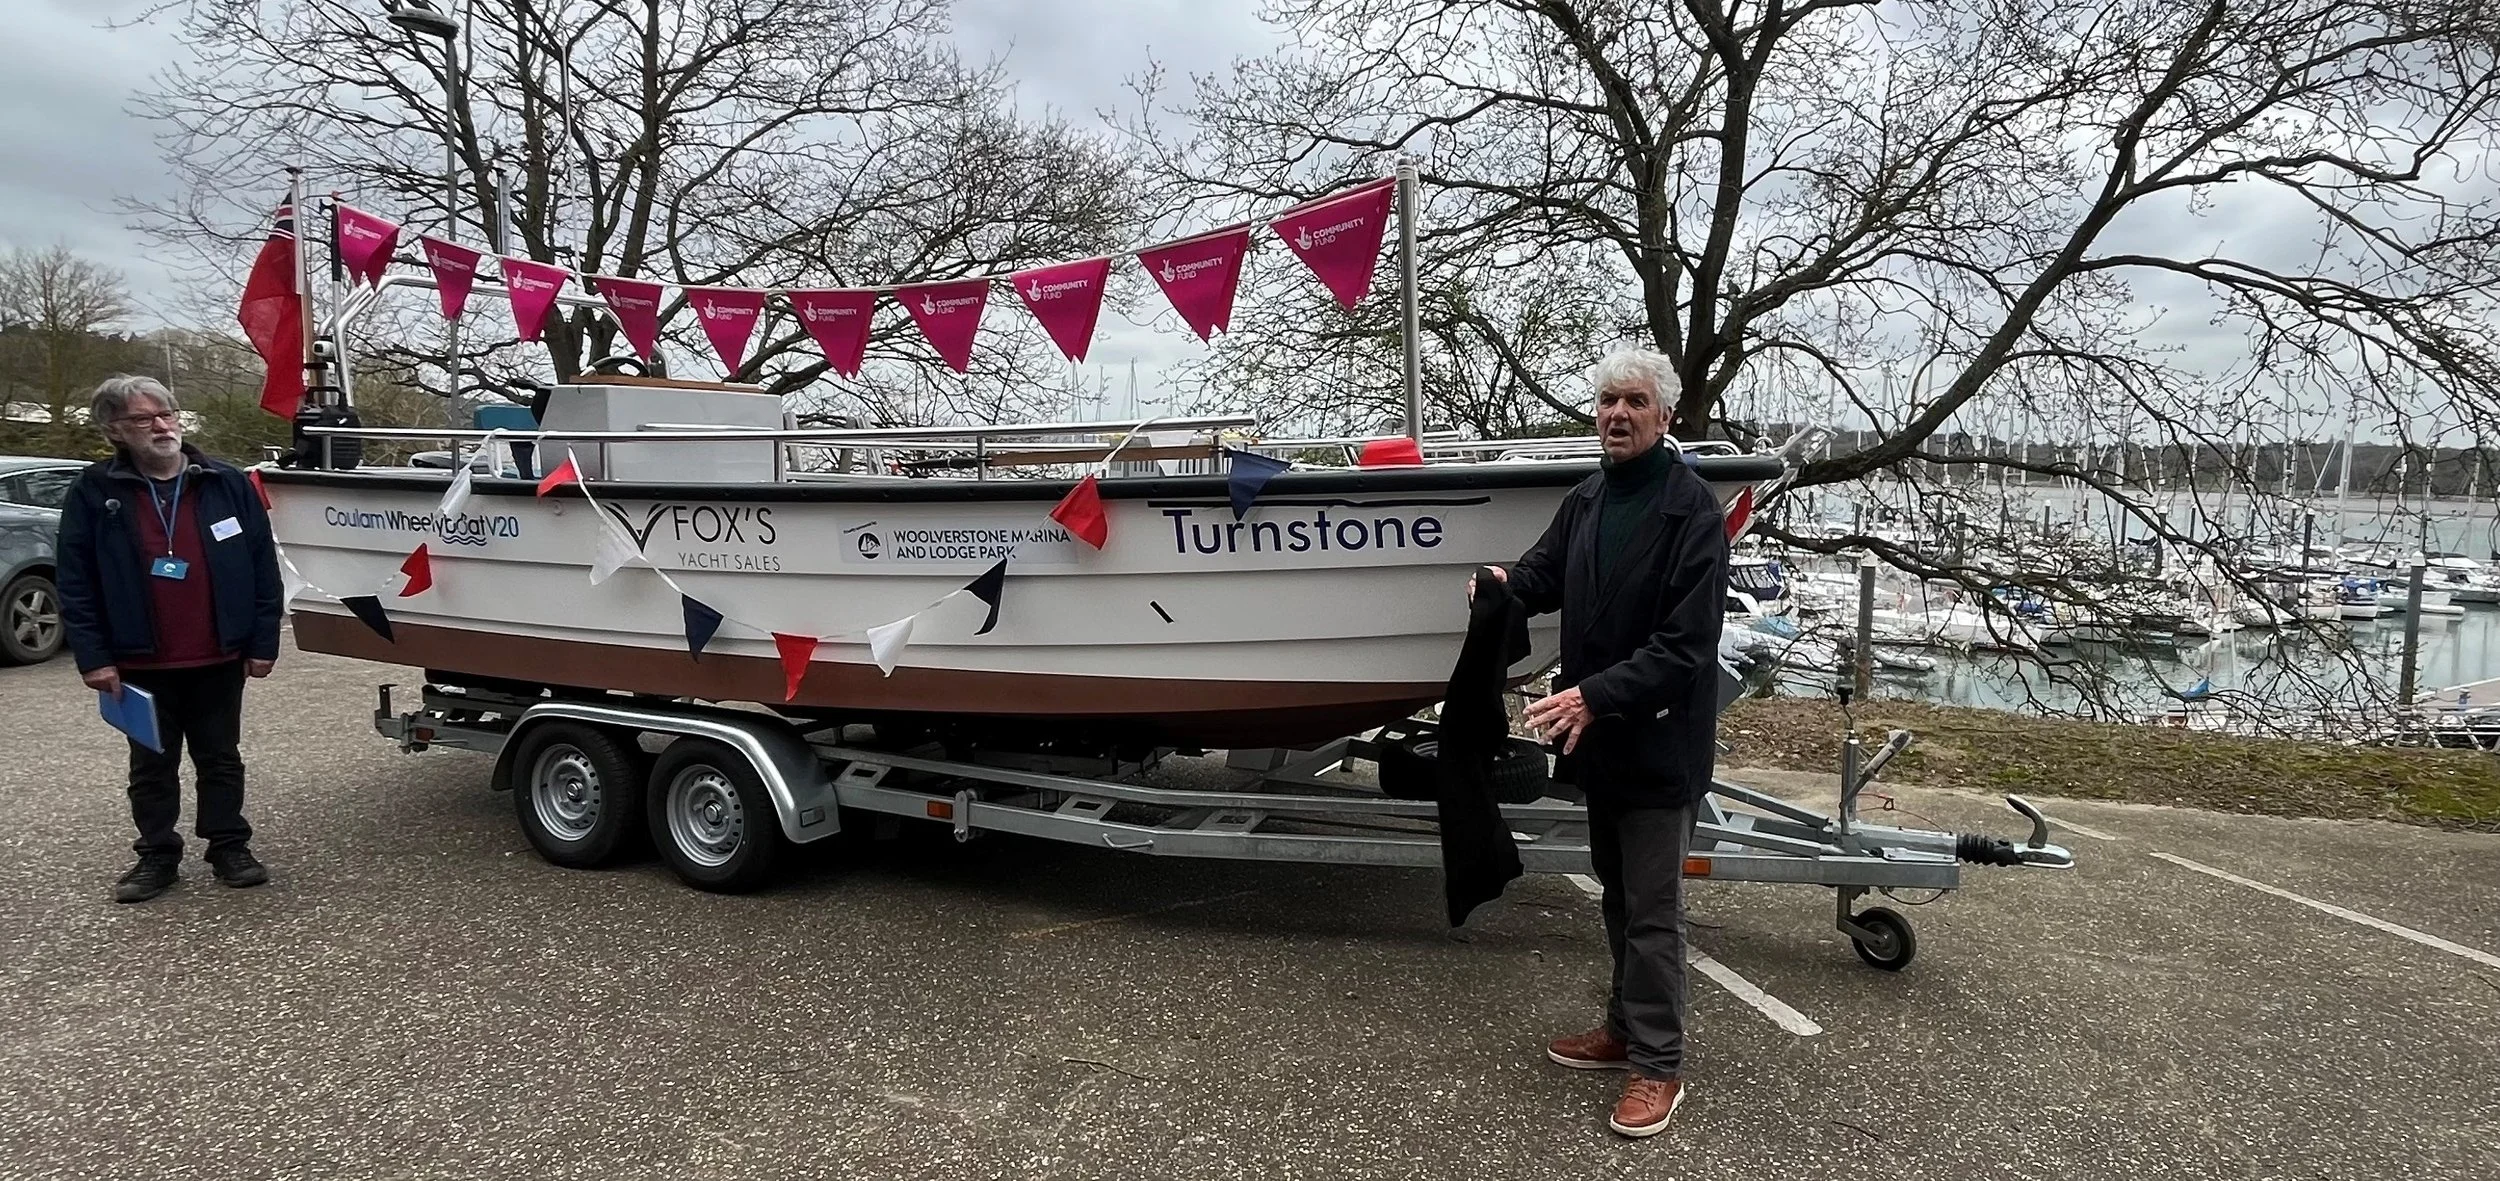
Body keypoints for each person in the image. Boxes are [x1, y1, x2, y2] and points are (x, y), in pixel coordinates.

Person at [1478, 349, 1728, 1138]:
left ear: (1665, 416)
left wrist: (1595, 693)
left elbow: (1686, 647)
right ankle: (1623, 1028)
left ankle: (1659, 1063)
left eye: (1634, 401)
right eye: (1608, 400)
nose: (1618, 414)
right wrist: (1501, 586)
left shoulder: (1692, 513)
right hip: (1599, 744)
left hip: (1657, 744)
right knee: (1617, 895)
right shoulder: (1588, 498)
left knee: (1653, 911)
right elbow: (1543, 574)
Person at [56, 375, 284, 902]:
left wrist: (262, 641)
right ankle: (157, 855)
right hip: (139, 660)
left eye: (167, 414)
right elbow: (75, 579)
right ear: (115, 430)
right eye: (143, 418)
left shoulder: (225, 482)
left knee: (220, 757)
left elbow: (262, 566)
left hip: (218, 653)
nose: (161, 426)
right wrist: (93, 657)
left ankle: (228, 846)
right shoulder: (96, 491)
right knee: (151, 766)